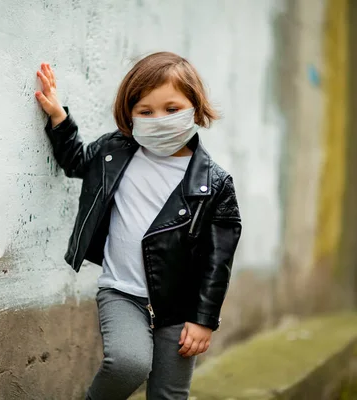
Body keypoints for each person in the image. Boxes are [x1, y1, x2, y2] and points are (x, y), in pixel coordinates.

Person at [35, 52, 242, 400]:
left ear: (194, 106)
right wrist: (59, 117)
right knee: (128, 364)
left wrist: (204, 319)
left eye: (172, 108)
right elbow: (75, 162)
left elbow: (217, 260)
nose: (158, 119)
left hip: (179, 308)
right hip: (121, 291)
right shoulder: (115, 150)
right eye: (145, 111)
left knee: (169, 394)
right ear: (130, 115)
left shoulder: (215, 183)